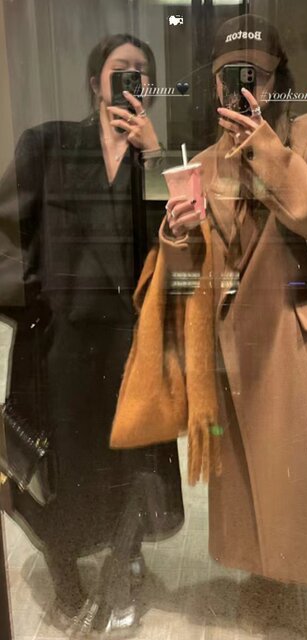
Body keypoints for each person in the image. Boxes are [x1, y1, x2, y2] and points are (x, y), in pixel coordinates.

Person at [157, 14, 307, 640]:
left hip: (302, 340)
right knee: (257, 479)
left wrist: (264, 148)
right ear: (214, 85)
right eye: (229, 77)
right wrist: (177, 235)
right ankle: (274, 577)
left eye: (256, 76)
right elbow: (194, 275)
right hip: (240, 351)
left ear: (277, 79)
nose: (243, 89)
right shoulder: (204, 163)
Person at [0, 34, 184, 634]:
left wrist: (155, 160)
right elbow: (4, 232)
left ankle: (124, 558)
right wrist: (37, 303)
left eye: (143, 73)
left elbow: (178, 249)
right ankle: (66, 574)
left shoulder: (154, 161)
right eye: (121, 69)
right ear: (93, 82)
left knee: (131, 462)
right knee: (66, 467)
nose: (133, 79)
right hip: (63, 345)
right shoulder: (48, 145)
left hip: (131, 342)